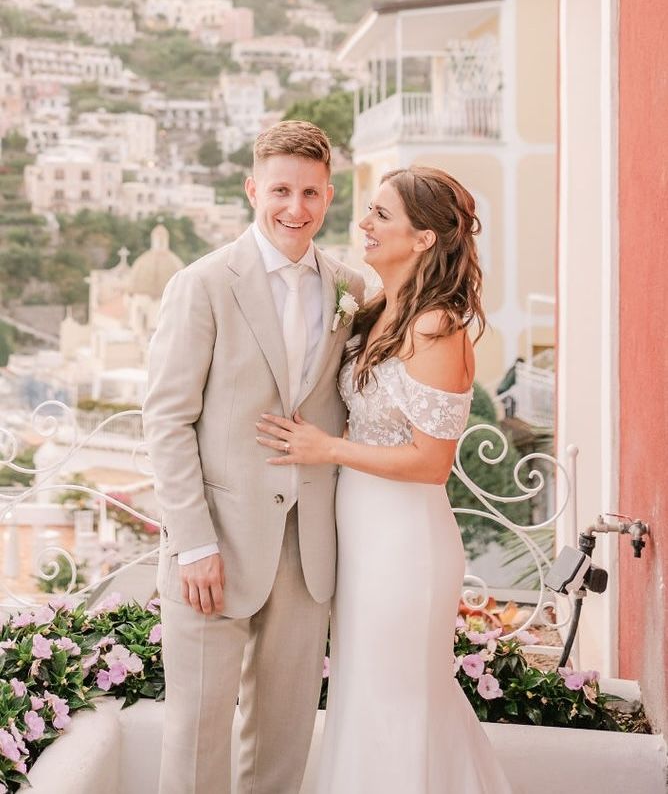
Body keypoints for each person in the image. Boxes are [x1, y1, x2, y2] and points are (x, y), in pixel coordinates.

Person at [256, 166, 513, 793]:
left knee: (398, 700)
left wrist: (328, 448)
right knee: (363, 697)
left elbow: (432, 463)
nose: (364, 225)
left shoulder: (435, 327)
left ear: (423, 238)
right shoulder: (378, 313)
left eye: (381, 215)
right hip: (363, 539)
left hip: (405, 545)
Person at [143, 120, 364, 794]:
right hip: (215, 548)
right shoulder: (203, 283)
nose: (295, 208)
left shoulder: (353, 291)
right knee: (197, 743)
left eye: (310, 192)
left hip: (307, 553)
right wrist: (192, 543)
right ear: (251, 189)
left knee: (282, 743)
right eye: (280, 190)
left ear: (330, 195)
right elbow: (167, 419)